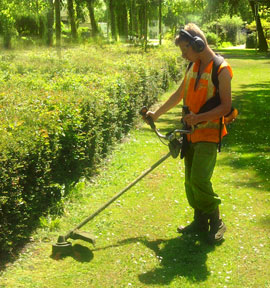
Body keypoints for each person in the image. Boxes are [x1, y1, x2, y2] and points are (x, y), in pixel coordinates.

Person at [145, 23, 233, 244]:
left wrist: (199, 118)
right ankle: (200, 221)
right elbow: (178, 94)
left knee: (199, 179)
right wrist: (156, 114)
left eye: (185, 49)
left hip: (209, 135)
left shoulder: (221, 70)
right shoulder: (193, 66)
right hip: (189, 134)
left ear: (198, 44)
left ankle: (216, 221)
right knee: (189, 182)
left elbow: (226, 107)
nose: (183, 55)